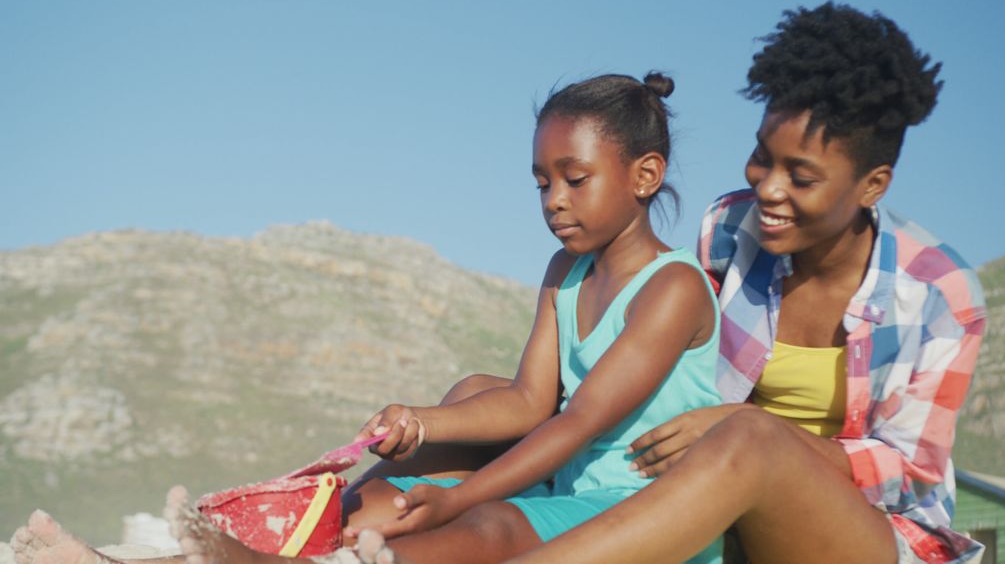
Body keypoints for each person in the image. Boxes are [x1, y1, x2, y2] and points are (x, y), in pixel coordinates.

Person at [343, 2, 988, 564]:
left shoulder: (938, 295)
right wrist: (433, 423)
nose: (767, 187)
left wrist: (742, 428)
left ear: (872, 185)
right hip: (701, 480)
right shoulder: (729, 229)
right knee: (481, 396)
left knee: (748, 437)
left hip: (857, 527)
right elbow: (654, 371)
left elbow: (911, 472)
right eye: (763, 154)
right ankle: (321, 526)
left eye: (802, 176)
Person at [11, 72, 726, 564]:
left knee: (486, 521)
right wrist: (421, 421)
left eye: (575, 179)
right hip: (564, 486)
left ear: (645, 176)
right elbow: (529, 400)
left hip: (645, 511)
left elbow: (578, 421)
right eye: (542, 182)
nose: (554, 201)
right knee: (388, 496)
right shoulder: (566, 273)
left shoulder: (673, 290)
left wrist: (459, 499)